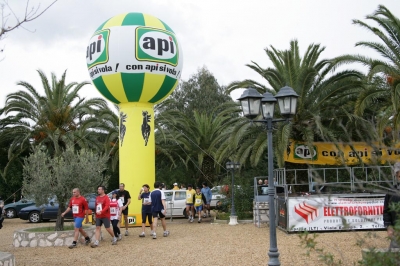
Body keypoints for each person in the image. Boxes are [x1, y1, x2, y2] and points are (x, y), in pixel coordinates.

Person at [383, 162, 400, 249]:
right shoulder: (391, 192)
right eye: (399, 176)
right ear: (396, 176)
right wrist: (389, 226)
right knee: (395, 256)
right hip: (397, 230)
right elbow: (386, 211)